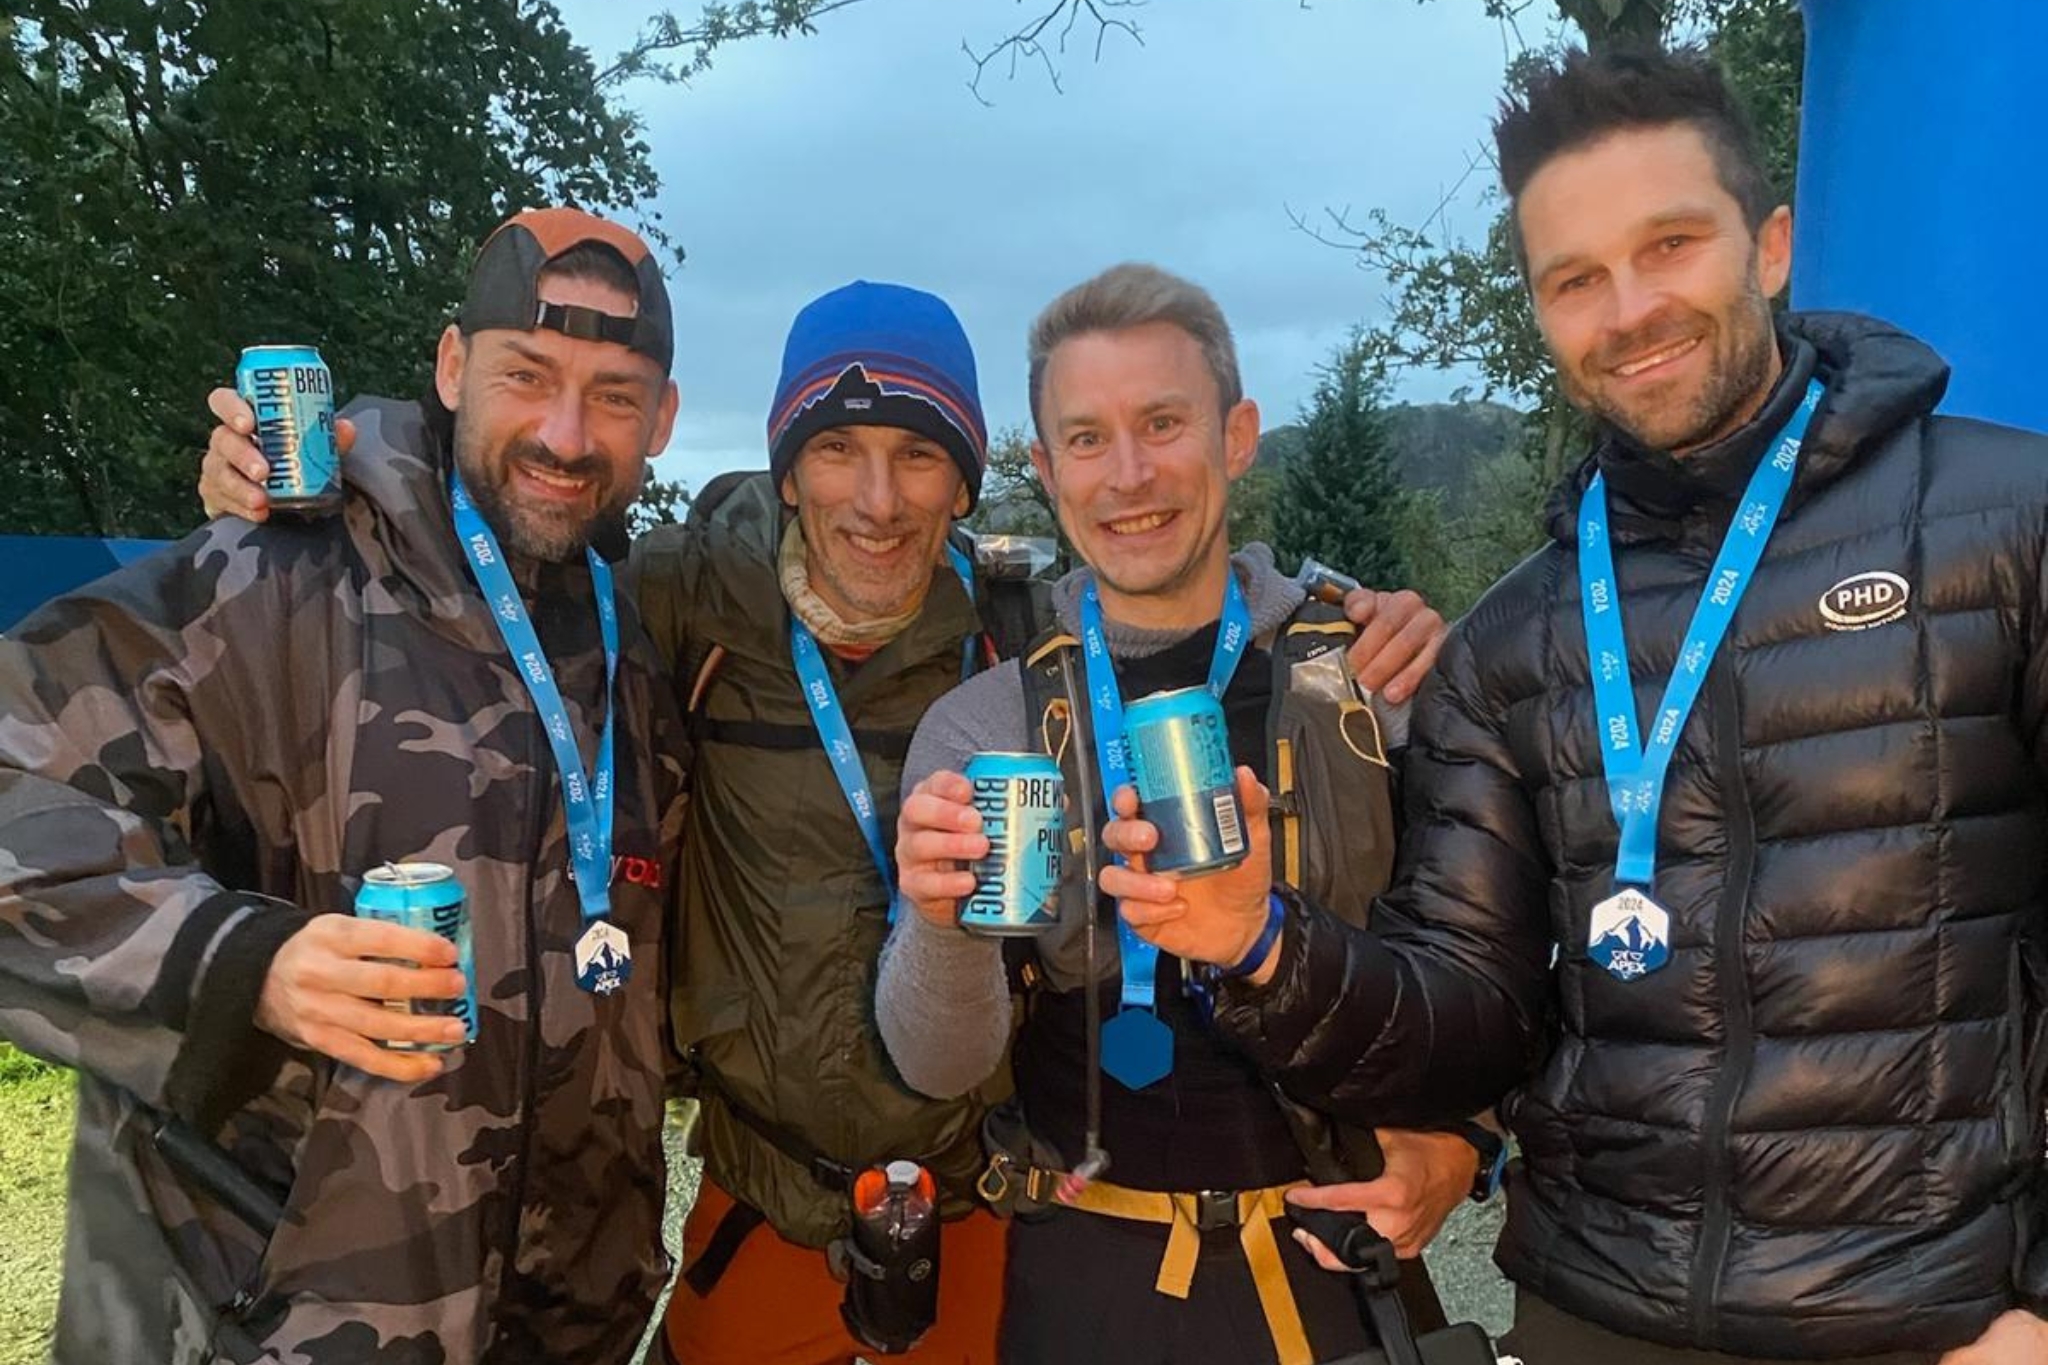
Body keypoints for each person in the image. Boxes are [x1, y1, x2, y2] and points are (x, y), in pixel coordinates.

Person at [201, 275, 1451, 1365]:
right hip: (760, 1199)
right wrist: (322, 481)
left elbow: (1173, 576)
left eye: (919, 458)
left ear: (964, 483)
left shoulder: (1013, 630)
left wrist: (1357, 614)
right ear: (785, 463)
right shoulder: (680, 604)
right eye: (838, 452)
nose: (877, 499)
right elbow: (498, 555)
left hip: (975, 1201)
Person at [1129, 45, 2048, 1365]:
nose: (1630, 308)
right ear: (1544, 315)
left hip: (1937, 1325)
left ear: (1770, 246)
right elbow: (1469, 1019)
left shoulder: (2006, 526)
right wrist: (1261, 944)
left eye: (1670, 245)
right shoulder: (1517, 637)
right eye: (1576, 279)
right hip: (1593, 1312)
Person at [0, 207, 688, 1363]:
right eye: (528, 375)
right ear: (453, 365)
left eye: (614, 394)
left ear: (661, 420)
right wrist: (243, 964)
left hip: (557, 1331)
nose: (566, 434)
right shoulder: (273, 576)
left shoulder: (631, 645)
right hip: (267, 1325)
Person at [877, 262, 1483, 1365]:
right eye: (1087, 438)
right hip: (1077, 1280)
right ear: (1045, 468)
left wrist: (1463, 1142)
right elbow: (937, 1066)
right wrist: (934, 923)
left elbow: (1490, 960)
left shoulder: (1373, 684)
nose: (1128, 474)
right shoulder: (985, 724)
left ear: (1235, 436)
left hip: (1333, 1276)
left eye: (1162, 423)